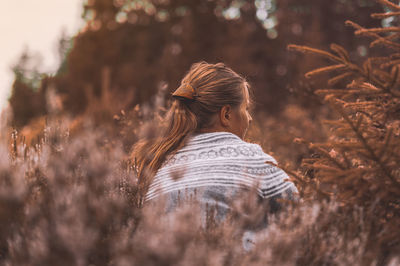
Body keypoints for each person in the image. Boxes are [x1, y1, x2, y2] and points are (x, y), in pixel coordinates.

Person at [131, 61, 298, 225]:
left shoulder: (160, 173)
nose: (250, 118)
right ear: (226, 115)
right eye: (245, 109)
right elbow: (297, 216)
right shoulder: (255, 162)